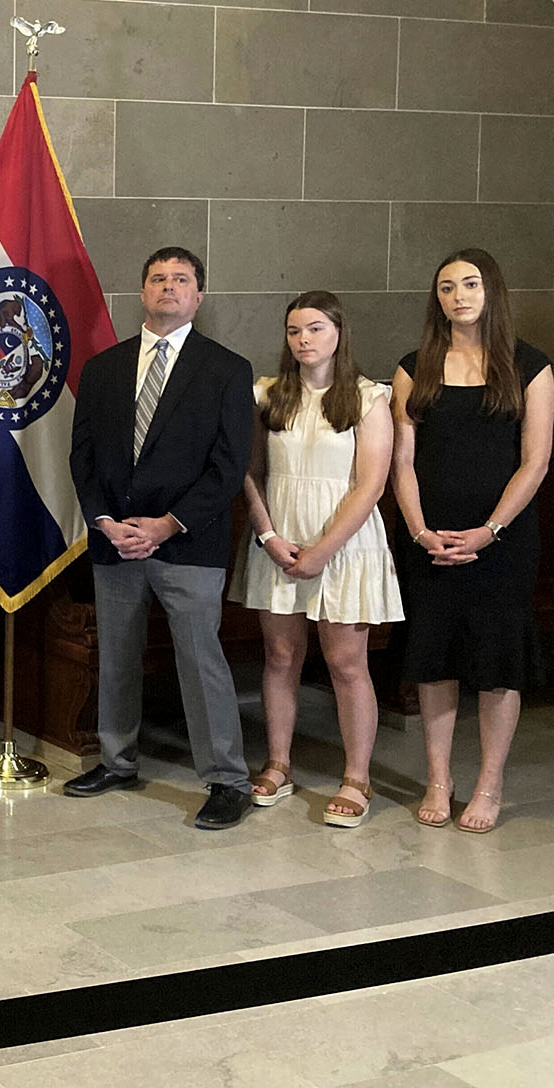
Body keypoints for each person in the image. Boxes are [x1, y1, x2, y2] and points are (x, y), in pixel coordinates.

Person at [66, 247, 256, 829]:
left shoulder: (226, 369)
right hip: (115, 540)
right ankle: (117, 761)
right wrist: (104, 522)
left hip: (188, 542)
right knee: (117, 657)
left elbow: (229, 467)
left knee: (201, 661)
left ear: (199, 296)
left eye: (181, 279)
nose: (168, 287)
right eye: (157, 278)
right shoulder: (103, 369)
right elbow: (83, 458)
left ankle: (227, 780)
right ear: (142, 292)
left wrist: (167, 524)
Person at [392, 249, 552, 835]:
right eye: (447, 287)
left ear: (493, 292)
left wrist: (490, 531)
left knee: (496, 664)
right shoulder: (415, 367)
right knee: (433, 660)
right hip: (430, 538)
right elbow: (402, 462)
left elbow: (535, 461)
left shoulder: (530, 366)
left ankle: (489, 783)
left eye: (471, 284)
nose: (459, 295)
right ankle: (440, 778)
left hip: (502, 541)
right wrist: (418, 530)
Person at [228, 292, 402, 827]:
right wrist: (268, 537)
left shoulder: (370, 398)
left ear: (339, 333)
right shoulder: (268, 394)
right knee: (281, 657)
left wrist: (322, 551)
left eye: (316, 329)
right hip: (278, 541)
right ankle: (279, 765)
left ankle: (357, 777)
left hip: (344, 543)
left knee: (347, 662)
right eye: (294, 331)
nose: (304, 340)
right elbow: (250, 471)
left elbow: (370, 484)